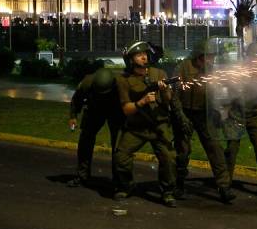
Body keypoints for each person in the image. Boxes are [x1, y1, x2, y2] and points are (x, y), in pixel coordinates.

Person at [113, 41, 178, 207]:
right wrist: (141, 102)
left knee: (169, 158)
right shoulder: (124, 79)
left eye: (145, 54)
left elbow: (168, 101)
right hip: (137, 126)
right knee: (121, 156)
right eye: (138, 55)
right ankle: (126, 186)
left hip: (159, 124)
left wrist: (164, 91)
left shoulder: (159, 73)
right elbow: (126, 109)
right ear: (131, 59)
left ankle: (168, 192)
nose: (144, 57)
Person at [172, 40, 236, 203]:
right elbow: (175, 96)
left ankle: (224, 187)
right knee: (183, 151)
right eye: (209, 57)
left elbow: (214, 93)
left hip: (203, 114)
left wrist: (219, 112)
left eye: (213, 57)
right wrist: (181, 117)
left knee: (215, 149)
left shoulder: (211, 70)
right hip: (184, 113)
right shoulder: (183, 68)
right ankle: (178, 184)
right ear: (200, 56)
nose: (211, 60)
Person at [224, 42, 257, 200]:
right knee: (231, 149)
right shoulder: (240, 71)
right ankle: (225, 186)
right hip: (237, 115)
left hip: (255, 116)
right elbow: (230, 89)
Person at [67, 67, 124, 187]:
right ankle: (82, 176)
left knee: (118, 144)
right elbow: (77, 99)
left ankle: (118, 180)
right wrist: (73, 116)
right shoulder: (87, 83)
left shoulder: (120, 83)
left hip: (115, 109)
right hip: (94, 108)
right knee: (85, 140)